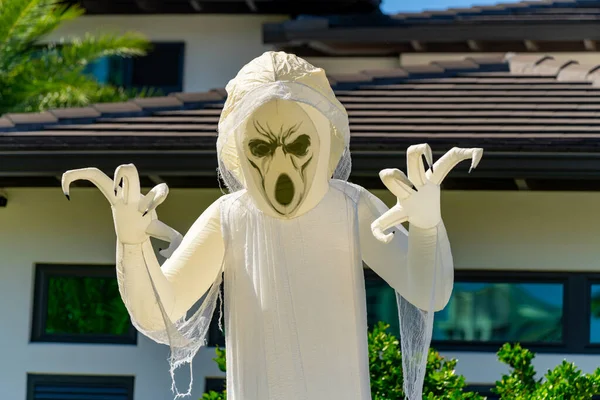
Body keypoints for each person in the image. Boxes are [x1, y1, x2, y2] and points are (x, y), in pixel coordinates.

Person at [62, 51, 482, 400]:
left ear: (328, 141)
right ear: (237, 153)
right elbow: (158, 313)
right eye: (261, 148)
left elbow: (429, 290)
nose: (281, 169)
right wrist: (132, 247)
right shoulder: (230, 217)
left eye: (299, 145)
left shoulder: (352, 208)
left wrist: (428, 227)